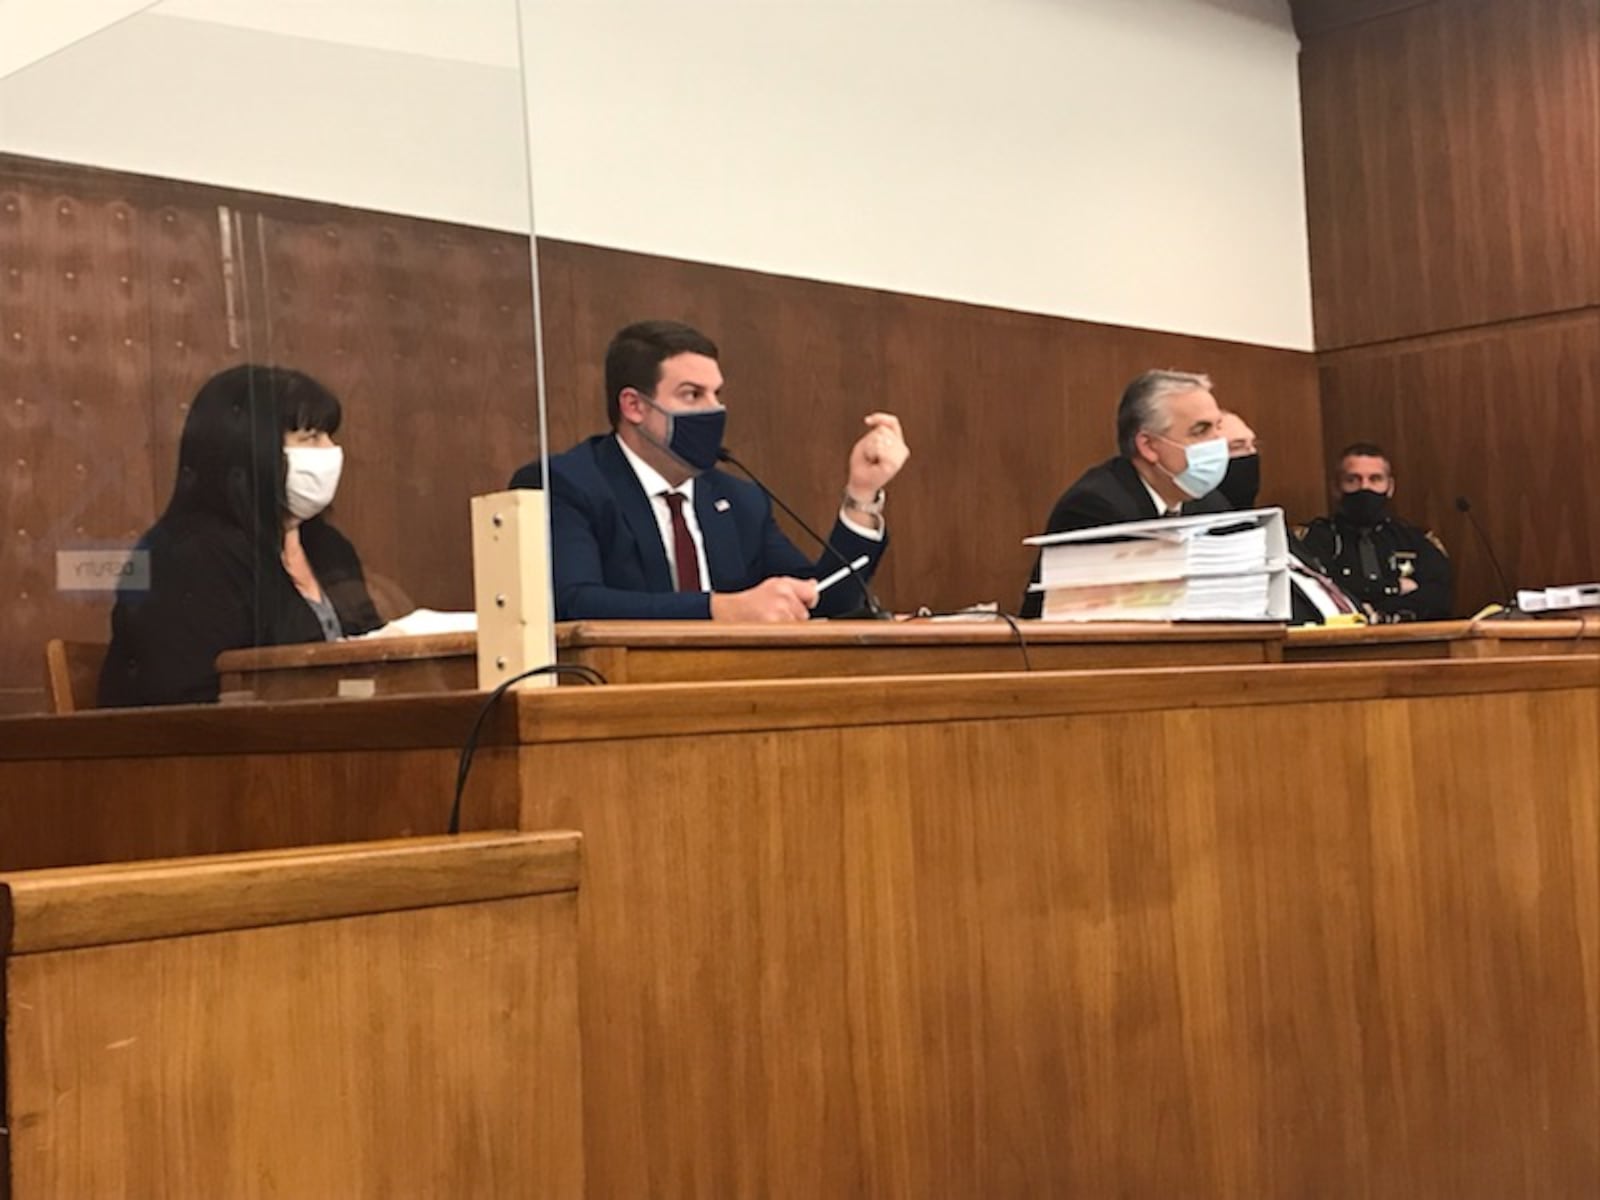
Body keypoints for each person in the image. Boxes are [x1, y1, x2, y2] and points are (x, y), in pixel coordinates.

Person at [509, 320, 910, 621]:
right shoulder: (567, 484)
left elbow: (822, 599)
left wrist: (862, 494)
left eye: (716, 394)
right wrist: (721, 609)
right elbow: (575, 602)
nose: (713, 410)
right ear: (634, 406)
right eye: (692, 395)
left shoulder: (739, 500)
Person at [99, 365, 380, 707]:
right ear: (250, 450)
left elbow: (372, 661)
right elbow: (183, 702)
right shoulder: (186, 558)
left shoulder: (329, 548)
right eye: (310, 438)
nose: (330, 451)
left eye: (329, 436)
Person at [1020, 369, 1231, 617]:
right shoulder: (1094, 506)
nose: (1219, 442)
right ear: (1149, 446)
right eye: (1200, 430)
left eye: (1218, 427)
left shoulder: (1211, 504)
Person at [1297, 442, 1452, 622]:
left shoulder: (1415, 540)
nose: (1365, 488)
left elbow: (1438, 598)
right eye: (1352, 480)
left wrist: (1376, 613)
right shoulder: (1316, 538)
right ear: (1336, 488)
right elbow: (1319, 592)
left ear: (1390, 487)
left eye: (1375, 479)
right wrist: (1393, 587)